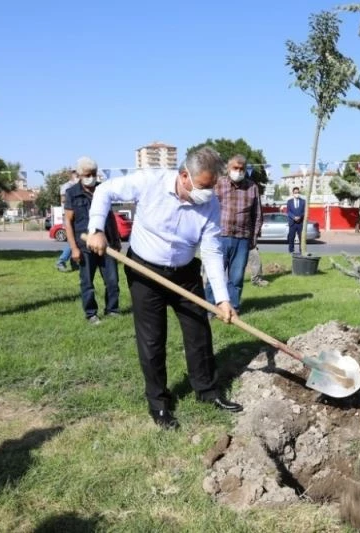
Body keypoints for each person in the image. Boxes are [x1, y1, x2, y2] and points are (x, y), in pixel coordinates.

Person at [85, 147, 242, 430]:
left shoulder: (210, 205)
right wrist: (96, 229)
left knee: (198, 332)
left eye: (212, 187)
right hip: (146, 271)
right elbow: (104, 191)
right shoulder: (150, 181)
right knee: (152, 340)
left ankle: (206, 392)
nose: (208, 193)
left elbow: (212, 251)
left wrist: (222, 299)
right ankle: (159, 404)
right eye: (205, 186)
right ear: (184, 176)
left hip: (185, 273)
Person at [63, 158, 120, 325]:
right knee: (87, 282)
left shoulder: (103, 189)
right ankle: (91, 314)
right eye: (88, 174)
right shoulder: (72, 193)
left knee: (112, 281)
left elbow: (110, 216)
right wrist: (73, 248)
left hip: (106, 243)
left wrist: (115, 240)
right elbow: (68, 221)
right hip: (84, 245)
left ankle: (112, 310)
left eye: (94, 174)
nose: (91, 177)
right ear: (80, 175)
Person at [204, 155, 262, 312]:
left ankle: (233, 308)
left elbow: (257, 215)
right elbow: (207, 209)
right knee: (214, 275)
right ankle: (210, 308)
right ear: (228, 169)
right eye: (235, 168)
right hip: (219, 237)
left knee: (236, 278)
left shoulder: (252, 187)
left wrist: (254, 238)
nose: (239, 171)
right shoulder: (218, 184)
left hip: (242, 239)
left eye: (242, 168)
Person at [56, 171, 79, 272]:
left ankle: (74, 262)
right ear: (72, 176)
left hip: (76, 215)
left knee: (76, 240)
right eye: (77, 175)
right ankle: (61, 261)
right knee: (72, 240)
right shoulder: (66, 186)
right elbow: (63, 199)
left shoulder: (78, 186)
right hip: (69, 215)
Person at [286, 187, 305, 253]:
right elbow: (288, 212)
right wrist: (294, 217)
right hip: (292, 223)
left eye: (298, 192)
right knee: (291, 237)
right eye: (295, 193)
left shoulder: (303, 201)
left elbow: (304, 211)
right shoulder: (289, 202)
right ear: (293, 193)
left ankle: (301, 250)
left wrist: (300, 217)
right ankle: (291, 250)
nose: (297, 194)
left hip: (300, 223)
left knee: (301, 238)